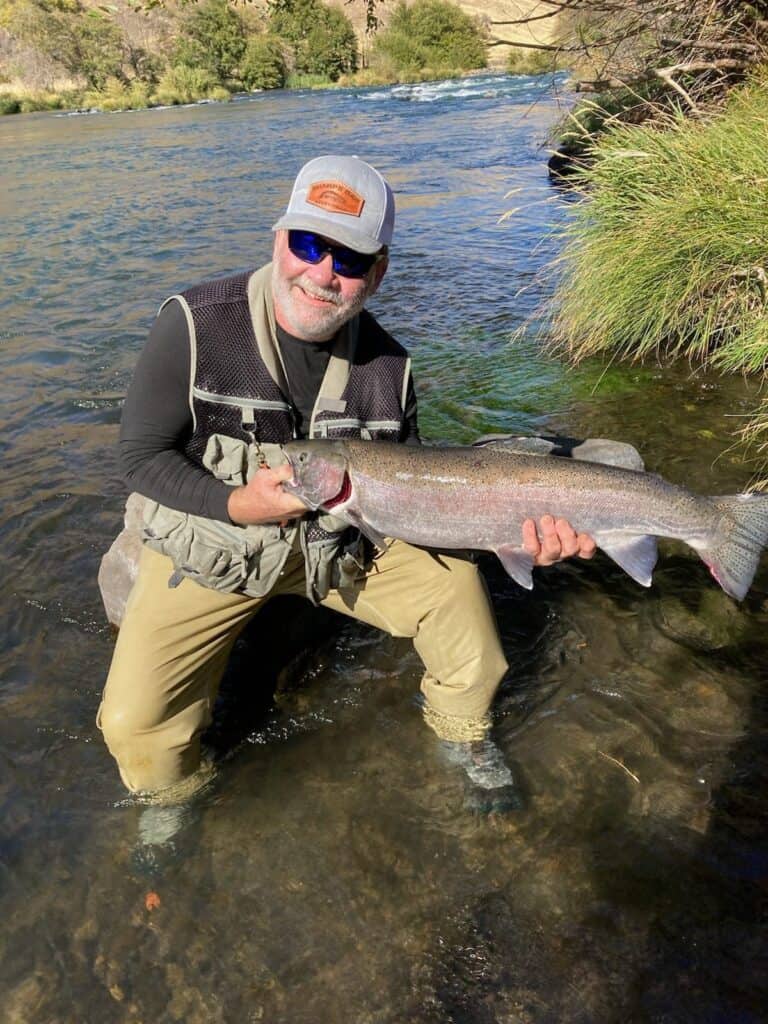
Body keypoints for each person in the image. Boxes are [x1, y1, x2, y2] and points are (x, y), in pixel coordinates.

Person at [98, 155, 595, 806]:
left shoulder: (389, 370)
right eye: (309, 244)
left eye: (350, 260)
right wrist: (234, 503)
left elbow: (421, 496)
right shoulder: (194, 326)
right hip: (213, 546)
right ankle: (169, 804)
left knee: (463, 611)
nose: (323, 273)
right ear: (279, 240)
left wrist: (519, 534)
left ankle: (464, 735)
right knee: (134, 724)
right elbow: (138, 456)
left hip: (341, 542)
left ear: (378, 273)